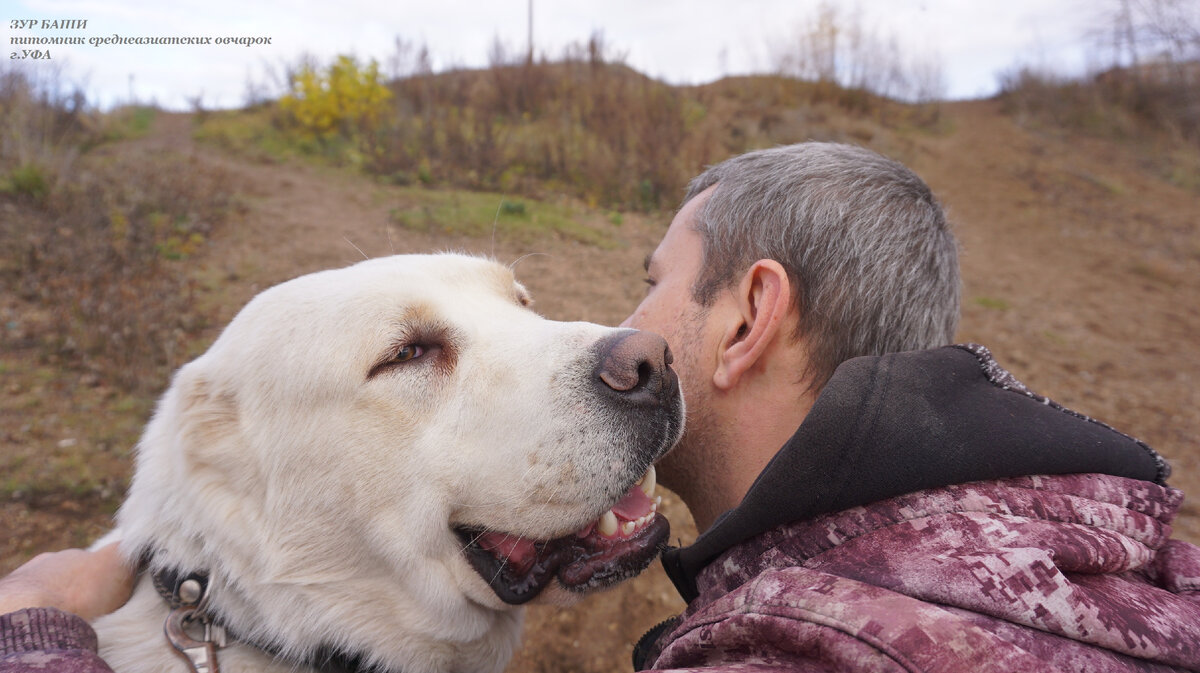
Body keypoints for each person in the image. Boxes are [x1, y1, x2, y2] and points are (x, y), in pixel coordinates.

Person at [3, 142, 1198, 672]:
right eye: (421, 349)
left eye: (650, 283)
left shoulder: (811, 647)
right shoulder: (1104, 532)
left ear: (748, 318)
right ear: (222, 453)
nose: (603, 340)